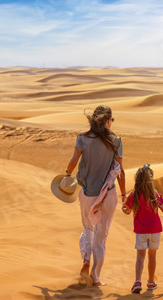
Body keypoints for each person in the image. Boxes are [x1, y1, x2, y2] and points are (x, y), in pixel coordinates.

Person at [65, 105, 126, 286]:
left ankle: (86, 260)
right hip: (108, 193)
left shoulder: (82, 139)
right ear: (108, 121)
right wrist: (124, 194)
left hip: (88, 193)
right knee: (102, 235)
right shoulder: (116, 140)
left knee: (88, 228)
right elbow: (120, 170)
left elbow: (74, 161)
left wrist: (66, 175)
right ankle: (96, 277)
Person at [121, 163, 163, 293]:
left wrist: (124, 208)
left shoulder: (134, 194)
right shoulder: (154, 194)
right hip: (155, 231)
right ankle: (151, 282)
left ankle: (137, 282)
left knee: (140, 257)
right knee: (152, 256)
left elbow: (127, 209)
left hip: (141, 231)